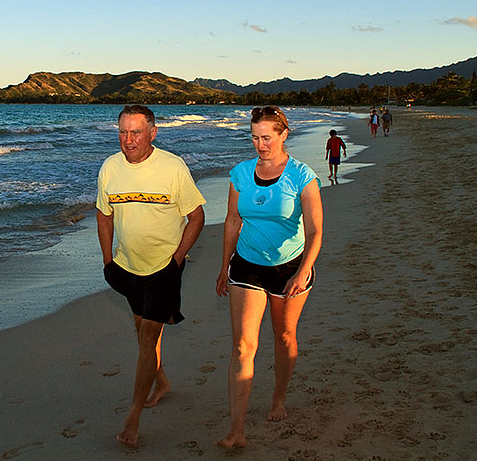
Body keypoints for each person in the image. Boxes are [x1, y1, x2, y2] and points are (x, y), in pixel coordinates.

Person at [97, 104, 206, 447]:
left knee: (147, 339)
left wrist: (175, 261)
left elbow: (197, 216)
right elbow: (104, 214)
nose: (128, 140)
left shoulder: (172, 167)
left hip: (164, 267)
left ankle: (133, 417)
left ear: (152, 133)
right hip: (127, 265)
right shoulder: (110, 168)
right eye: (123, 132)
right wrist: (107, 259)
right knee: (140, 329)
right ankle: (161, 381)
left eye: (136, 132)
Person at [215, 106, 323, 449]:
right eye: (254, 137)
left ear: (283, 134)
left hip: (289, 268)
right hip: (246, 265)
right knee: (243, 345)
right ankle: (236, 430)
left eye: (266, 137)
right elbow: (233, 221)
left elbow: (315, 229)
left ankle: (278, 397)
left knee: (284, 336)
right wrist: (223, 266)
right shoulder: (240, 174)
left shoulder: (301, 175)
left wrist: (304, 270)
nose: (259, 145)